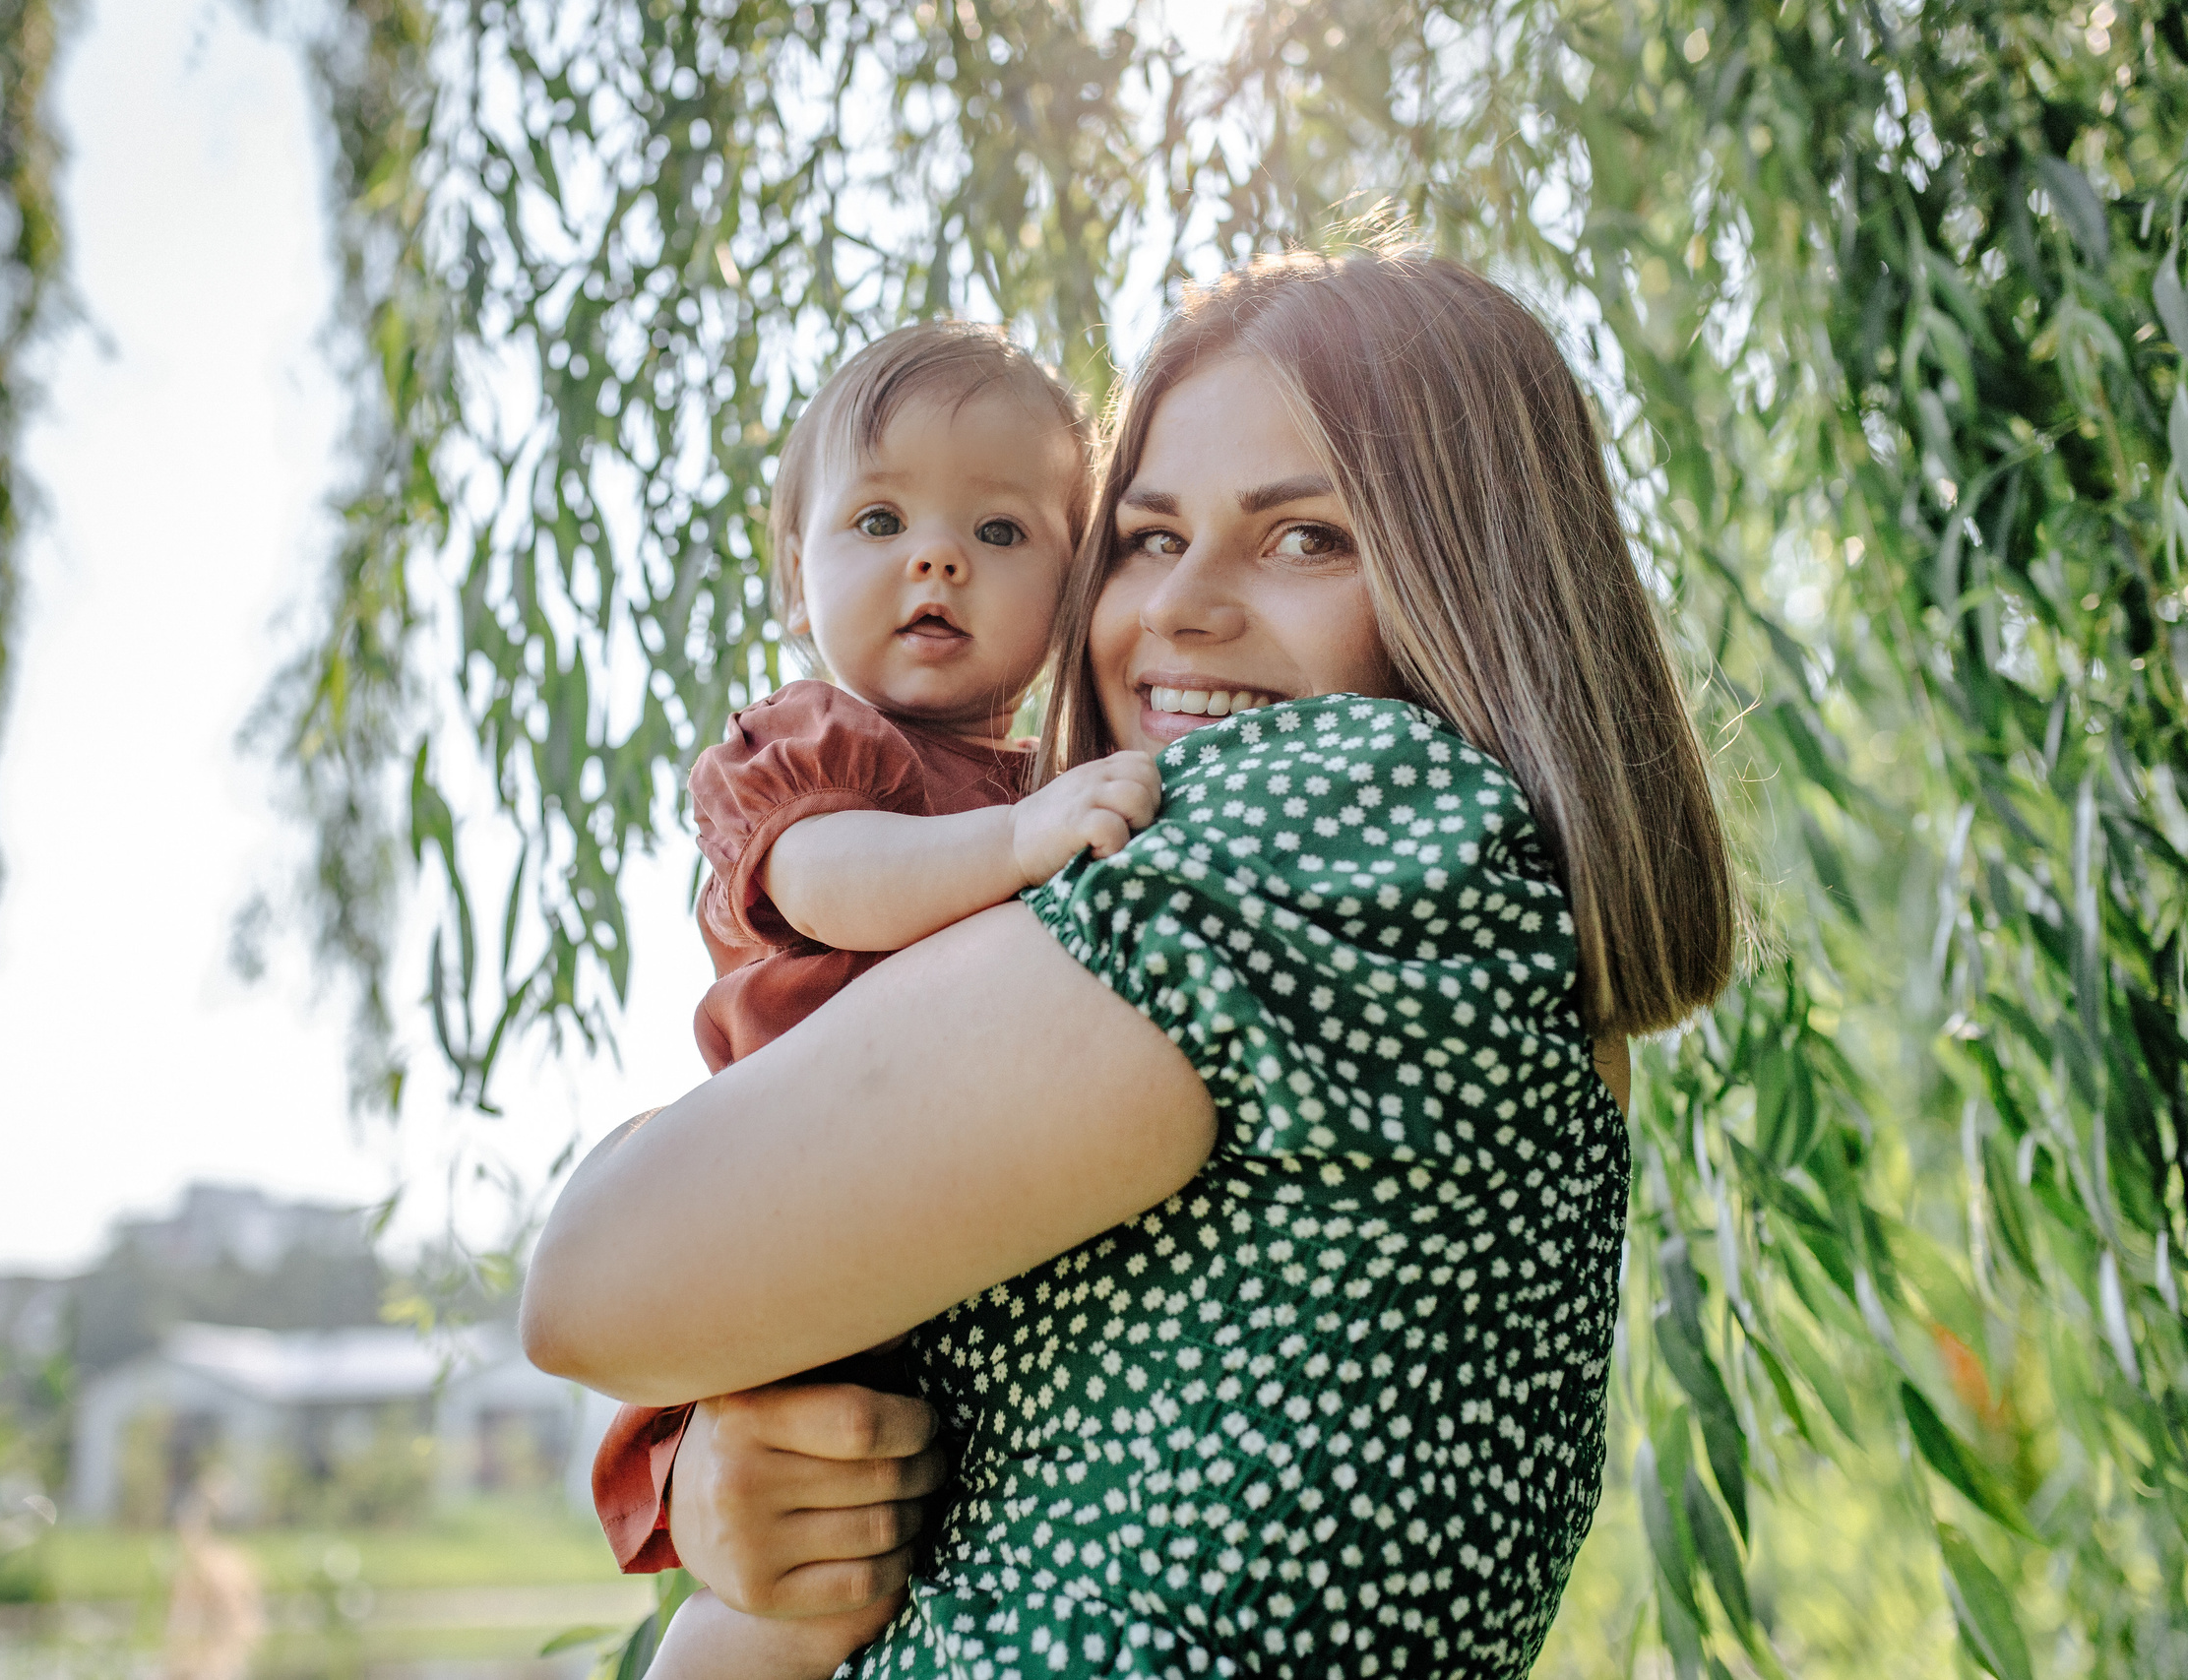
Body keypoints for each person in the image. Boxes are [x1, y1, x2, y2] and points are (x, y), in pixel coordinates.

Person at [528, 242, 1735, 1680]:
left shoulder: (1359, 815)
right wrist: (740, 1483)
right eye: (1149, 538)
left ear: (1479, 580)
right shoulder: (1458, 920)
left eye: (1307, 539)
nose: (1181, 610)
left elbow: (591, 1285)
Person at [598, 320, 1164, 1680]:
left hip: (920, 1246)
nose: (937, 557)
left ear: (1073, 588)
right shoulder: (810, 747)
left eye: (1004, 530)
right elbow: (843, 885)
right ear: (797, 577)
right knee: (812, 1588)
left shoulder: (1051, 784)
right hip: (791, 1225)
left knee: (899, 1552)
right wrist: (1021, 850)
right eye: (877, 518)